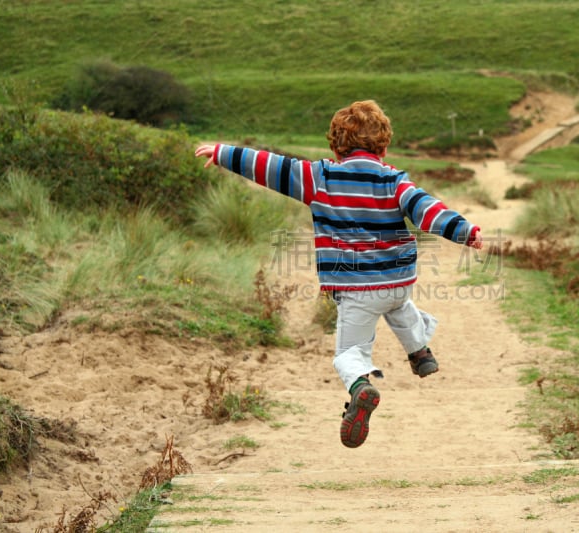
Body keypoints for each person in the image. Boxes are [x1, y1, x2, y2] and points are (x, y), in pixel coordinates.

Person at [195, 100, 483, 448]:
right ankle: (420, 353)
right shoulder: (395, 181)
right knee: (400, 308)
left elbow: (271, 167)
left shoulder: (319, 178)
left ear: (335, 144)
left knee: (349, 353)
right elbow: (427, 208)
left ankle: (361, 388)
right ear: (384, 144)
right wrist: (463, 230)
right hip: (397, 282)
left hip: (356, 290)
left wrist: (224, 153)